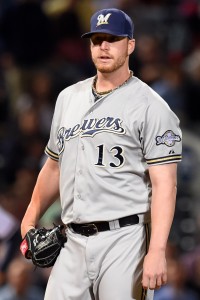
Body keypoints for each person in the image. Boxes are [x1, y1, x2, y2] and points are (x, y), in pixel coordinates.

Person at [20, 8, 182, 300]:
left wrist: (157, 250)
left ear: (130, 45)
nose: (103, 47)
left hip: (125, 239)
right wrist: (29, 219)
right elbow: (54, 166)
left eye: (112, 39)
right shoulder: (68, 98)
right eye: (97, 40)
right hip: (71, 239)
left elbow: (164, 184)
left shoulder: (151, 106)